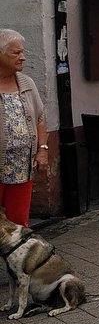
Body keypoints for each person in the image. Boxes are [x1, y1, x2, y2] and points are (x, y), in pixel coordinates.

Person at [0, 29, 49, 226]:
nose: (23, 57)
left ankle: (18, 256)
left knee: (19, 223)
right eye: (16, 53)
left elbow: (40, 118)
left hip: (21, 166)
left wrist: (43, 150)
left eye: (23, 52)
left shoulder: (26, 83)